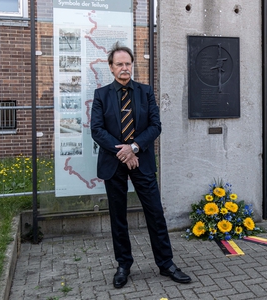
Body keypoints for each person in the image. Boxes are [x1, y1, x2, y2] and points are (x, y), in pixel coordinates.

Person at [91, 42, 191, 288]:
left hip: (141, 160)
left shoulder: (145, 92)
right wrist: (123, 152)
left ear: (132, 65)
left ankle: (166, 263)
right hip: (114, 162)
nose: (124, 68)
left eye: (128, 64)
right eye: (119, 64)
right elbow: (97, 130)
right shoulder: (101, 95)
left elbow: (155, 126)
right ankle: (123, 264)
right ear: (111, 68)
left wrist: (133, 148)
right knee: (118, 217)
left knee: (155, 213)